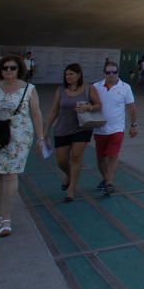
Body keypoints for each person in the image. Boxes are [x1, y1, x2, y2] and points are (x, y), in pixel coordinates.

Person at [0, 55, 44, 236]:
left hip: (19, 136)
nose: (8, 71)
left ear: (19, 69)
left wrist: (40, 138)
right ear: (0, 70)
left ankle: (6, 218)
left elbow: (36, 114)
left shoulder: (29, 89)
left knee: (10, 174)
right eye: (5, 68)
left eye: (12, 68)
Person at [44, 63, 101, 203]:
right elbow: (53, 111)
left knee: (76, 156)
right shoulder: (61, 90)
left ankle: (71, 189)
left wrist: (89, 107)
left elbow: (98, 105)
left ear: (79, 75)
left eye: (71, 74)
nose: (68, 77)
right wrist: (45, 130)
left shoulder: (88, 88)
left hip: (82, 127)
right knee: (61, 161)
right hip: (62, 128)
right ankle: (70, 175)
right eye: (66, 74)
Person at [92, 60, 138, 197]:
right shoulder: (95, 87)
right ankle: (106, 178)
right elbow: (90, 104)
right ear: (104, 73)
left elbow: (131, 107)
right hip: (99, 128)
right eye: (108, 72)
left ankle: (109, 183)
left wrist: (134, 125)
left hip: (117, 128)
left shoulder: (125, 87)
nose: (111, 74)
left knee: (112, 155)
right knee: (100, 158)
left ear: (118, 72)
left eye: (114, 72)